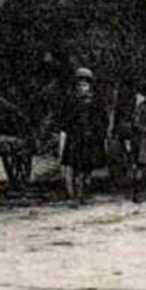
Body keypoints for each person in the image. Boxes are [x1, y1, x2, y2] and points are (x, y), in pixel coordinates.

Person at [58, 66, 108, 203]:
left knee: (87, 165)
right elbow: (63, 118)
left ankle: (85, 187)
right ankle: (75, 192)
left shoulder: (96, 102)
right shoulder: (71, 101)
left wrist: (99, 132)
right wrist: (68, 129)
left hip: (90, 137)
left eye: (85, 85)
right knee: (74, 165)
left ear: (90, 86)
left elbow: (103, 119)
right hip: (75, 137)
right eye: (79, 85)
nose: (82, 88)